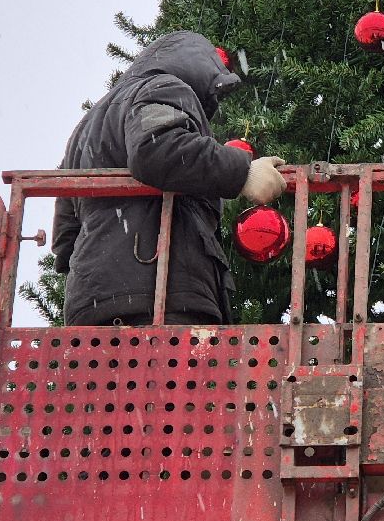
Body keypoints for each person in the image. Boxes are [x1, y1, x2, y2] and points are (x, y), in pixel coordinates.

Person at [52, 31, 287, 326]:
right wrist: (243, 172)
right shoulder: (164, 86)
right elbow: (155, 147)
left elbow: (64, 241)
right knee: (174, 371)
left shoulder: (85, 129)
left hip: (93, 303)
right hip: (159, 295)